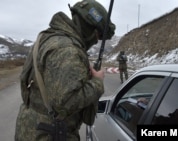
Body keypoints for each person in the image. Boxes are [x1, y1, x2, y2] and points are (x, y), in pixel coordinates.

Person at [15, 0, 115, 140]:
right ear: (89, 29)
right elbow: (67, 103)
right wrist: (97, 82)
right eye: (97, 36)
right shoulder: (67, 49)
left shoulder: (49, 38)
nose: (96, 41)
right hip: (49, 133)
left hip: (32, 128)